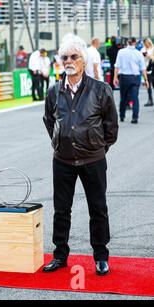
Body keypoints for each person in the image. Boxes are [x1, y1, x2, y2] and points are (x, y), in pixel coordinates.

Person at [43, 34, 119, 276]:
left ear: (83, 60)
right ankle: (59, 255)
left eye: (74, 56)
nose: (69, 60)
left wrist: (98, 146)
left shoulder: (101, 89)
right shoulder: (54, 91)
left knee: (98, 208)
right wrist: (60, 142)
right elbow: (49, 120)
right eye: (64, 57)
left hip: (93, 160)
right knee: (61, 209)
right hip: (63, 160)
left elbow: (111, 125)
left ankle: (101, 256)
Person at [113, 37, 149, 124]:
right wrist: (146, 79)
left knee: (123, 97)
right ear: (135, 43)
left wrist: (115, 77)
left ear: (127, 43)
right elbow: (143, 68)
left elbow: (117, 66)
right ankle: (135, 117)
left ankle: (122, 115)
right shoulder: (138, 53)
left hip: (124, 77)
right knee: (135, 98)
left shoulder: (121, 52)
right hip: (135, 77)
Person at [141, 37, 154, 107]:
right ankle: (150, 99)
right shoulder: (143, 49)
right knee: (148, 84)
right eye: (145, 44)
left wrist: (150, 56)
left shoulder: (153, 48)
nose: (147, 45)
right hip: (146, 69)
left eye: (147, 44)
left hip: (152, 67)